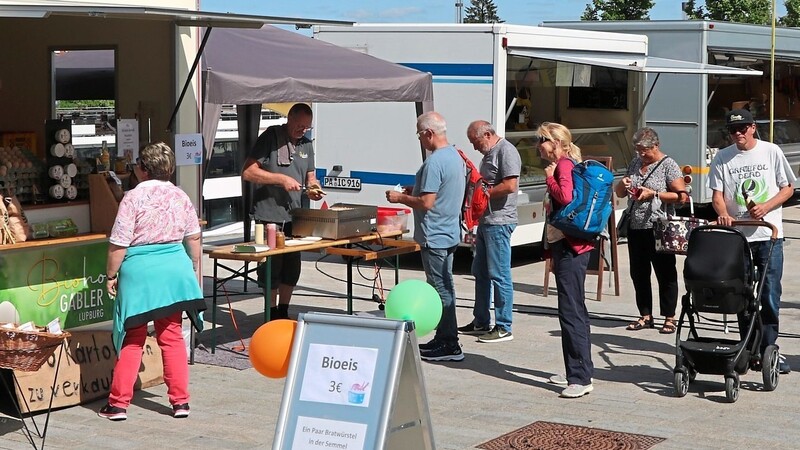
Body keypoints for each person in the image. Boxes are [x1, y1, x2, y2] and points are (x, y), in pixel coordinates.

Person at [99, 142, 206, 421]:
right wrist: (193, 267)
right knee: (171, 337)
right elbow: (193, 238)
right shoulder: (181, 196)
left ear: (143, 169)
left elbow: (119, 244)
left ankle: (118, 404)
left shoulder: (132, 198)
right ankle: (180, 402)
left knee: (132, 338)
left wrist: (111, 276)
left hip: (140, 273)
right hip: (173, 270)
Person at [710, 108, 795, 374]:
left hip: (769, 235)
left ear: (753, 128)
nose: (737, 134)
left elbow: (788, 188)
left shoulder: (771, 152)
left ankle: (769, 349)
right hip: (739, 238)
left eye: (742, 129)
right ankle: (747, 349)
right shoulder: (723, 158)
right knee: (742, 295)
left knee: (769, 295)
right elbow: (717, 195)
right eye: (732, 130)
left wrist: (766, 207)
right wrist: (723, 214)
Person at [386, 111, 466, 361]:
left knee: (440, 289)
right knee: (446, 287)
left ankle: (448, 342)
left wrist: (400, 198)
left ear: (429, 133)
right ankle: (446, 338)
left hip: (435, 234)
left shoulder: (434, 162)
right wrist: (416, 190)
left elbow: (427, 202)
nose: (420, 139)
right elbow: (437, 193)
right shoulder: (455, 156)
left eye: (420, 134)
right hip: (450, 231)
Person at [242, 103, 324, 320]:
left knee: (291, 269)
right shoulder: (270, 137)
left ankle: (283, 311)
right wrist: (281, 179)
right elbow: (248, 172)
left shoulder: (306, 144)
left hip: (294, 218)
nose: (302, 130)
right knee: (271, 270)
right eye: (299, 126)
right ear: (289, 118)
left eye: (307, 127)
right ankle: (270, 313)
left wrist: (314, 190)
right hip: (269, 216)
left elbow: (311, 178)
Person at [538, 122, 595, 398]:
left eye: (542, 140)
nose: (539, 145)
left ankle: (580, 378)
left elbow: (566, 196)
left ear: (556, 142)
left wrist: (549, 179)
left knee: (571, 312)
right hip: (575, 246)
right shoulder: (571, 162)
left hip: (571, 247)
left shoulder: (562, 165)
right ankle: (577, 368)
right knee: (576, 311)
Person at [614, 128, 686, 334]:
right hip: (636, 227)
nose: (641, 155)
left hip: (659, 227)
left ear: (656, 146)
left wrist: (654, 194)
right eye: (638, 151)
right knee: (639, 273)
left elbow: (681, 197)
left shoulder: (668, 165)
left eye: (644, 150)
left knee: (665, 273)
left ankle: (669, 317)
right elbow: (619, 193)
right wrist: (623, 183)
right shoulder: (636, 164)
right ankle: (645, 315)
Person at [457, 120, 521, 343]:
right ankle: (481, 320)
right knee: (480, 272)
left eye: (475, 142)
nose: (474, 147)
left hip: (499, 222)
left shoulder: (506, 151)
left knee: (499, 273)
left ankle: (504, 326)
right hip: (486, 221)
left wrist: (483, 194)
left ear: (486, 134)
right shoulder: (489, 154)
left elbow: (511, 185)